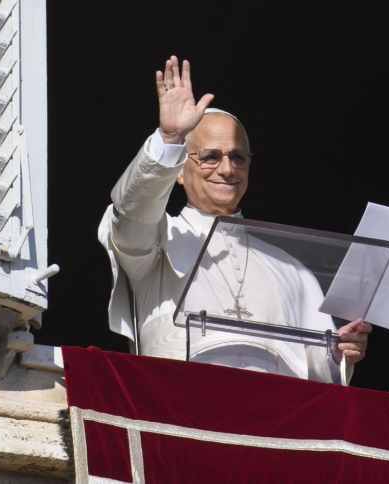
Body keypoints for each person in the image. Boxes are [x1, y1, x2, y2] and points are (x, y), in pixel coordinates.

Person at [98, 56, 371, 384]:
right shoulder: (157, 242)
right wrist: (169, 140)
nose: (227, 169)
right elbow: (130, 212)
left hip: (272, 422)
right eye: (210, 156)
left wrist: (341, 351)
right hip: (181, 407)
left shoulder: (290, 268)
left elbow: (318, 371)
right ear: (180, 171)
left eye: (238, 158)